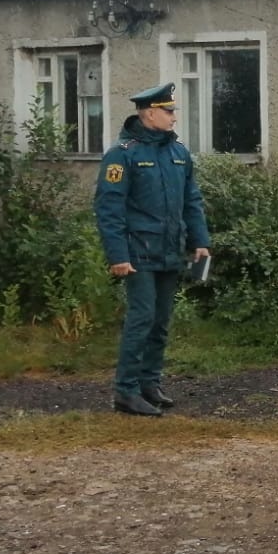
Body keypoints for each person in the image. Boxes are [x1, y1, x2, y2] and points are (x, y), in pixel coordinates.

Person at [94, 83, 211, 416]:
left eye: (173, 111)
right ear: (148, 113)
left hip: (170, 250)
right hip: (138, 252)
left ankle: (149, 383)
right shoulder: (123, 153)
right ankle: (125, 391)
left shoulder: (178, 153)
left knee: (160, 321)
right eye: (168, 111)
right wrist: (117, 255)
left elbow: (192, 201)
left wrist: (200, 242)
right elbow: (109, 208)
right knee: (141, 319)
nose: (174, 117)